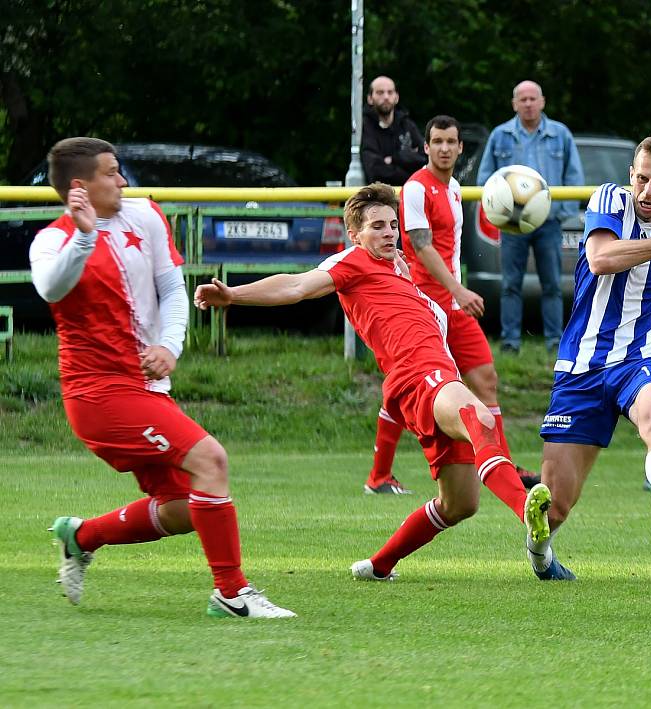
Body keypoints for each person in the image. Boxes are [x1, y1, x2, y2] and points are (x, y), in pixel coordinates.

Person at [194, 183, 551, 581]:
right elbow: (296, 286)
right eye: (377, 226)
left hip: (435, 378)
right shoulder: (352, 262)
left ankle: (379, 565)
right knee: (477, 416)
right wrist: (233, 295)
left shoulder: (401, 275)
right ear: (355, 235)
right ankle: (528, 513)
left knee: (459, 504)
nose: (388, 233)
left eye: (393, 225)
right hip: (418, 377)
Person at [30, 137, 294, 619]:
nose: (123, 181)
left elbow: (173, 288)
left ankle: (82, 536)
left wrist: (169, 347)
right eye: (111, 173)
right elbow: (51, 287)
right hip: (99, 395)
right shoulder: (52, 240)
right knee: (212, 460)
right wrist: (86, 236)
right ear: (79, 186)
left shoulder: (145, 215)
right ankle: (231, 593)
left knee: (185, 508)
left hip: (147, 388)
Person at [529, 134, 651, 581]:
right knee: (556, 504)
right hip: (583, 365)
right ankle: (540, 557)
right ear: (631, 174)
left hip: (645, 357)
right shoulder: (610, 199)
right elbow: (602, 258)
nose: (648, 191)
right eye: (642, 178)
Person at [363, 115, 539, 494]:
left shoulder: (456, 188)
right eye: (437, 141)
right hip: (424, 303)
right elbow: (421, 245)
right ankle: (378, 476)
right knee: (405, 388)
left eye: (451, 142)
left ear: (461, 148)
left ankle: (504, 464)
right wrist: (457, 290)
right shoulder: (414, 188)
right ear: (426, 147)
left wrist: (457, 294)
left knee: (485, 379)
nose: (444, 148)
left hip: (452, 303)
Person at [477, 80, 584, 354]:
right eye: (522, 99)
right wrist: (497, 216)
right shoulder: (500, 135)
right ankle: (510, 342)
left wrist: (562, 214)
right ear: (514, 104)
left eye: (532, 98)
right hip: (512, 226)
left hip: (548, 223)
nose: (527, 104)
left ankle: (555, 343)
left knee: (552, 285)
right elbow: (485, 179)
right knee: (510, 284)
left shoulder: (560, 135)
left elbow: (574, 177)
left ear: (542, 101)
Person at [360, 75, 427, 185]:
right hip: (379, 198)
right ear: (370, 98)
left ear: (397, 97)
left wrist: (394, 159)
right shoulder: (365, 127)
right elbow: (375, 171)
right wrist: (411, 173)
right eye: (380, 92)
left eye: (390, 92)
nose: (386, 97)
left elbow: (426, 158)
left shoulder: (407, 124)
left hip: (409, 197)